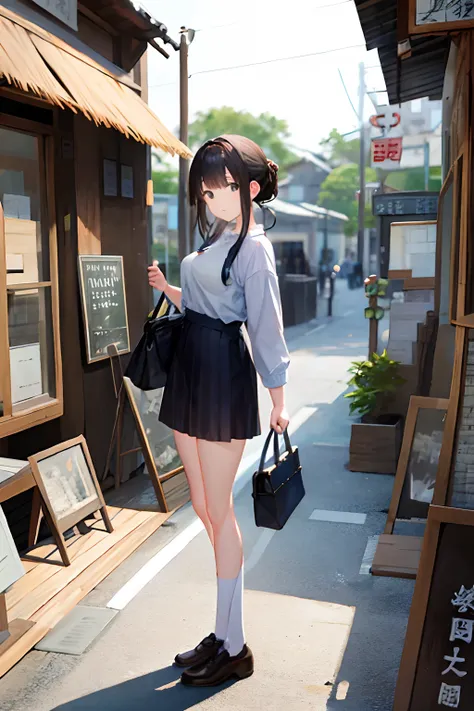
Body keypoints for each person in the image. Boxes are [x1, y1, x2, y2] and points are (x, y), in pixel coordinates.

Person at [148, 135, 290, 687]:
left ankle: (234, 643)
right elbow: (207, 303)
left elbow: (264, 324)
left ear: (250, 188)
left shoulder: (255, 248)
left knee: (219, 511)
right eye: (207, 191)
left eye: (225, 188)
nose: (214, 198)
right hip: (190, 370)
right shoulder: (217, 239)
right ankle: (225, 632)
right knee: (204, 508)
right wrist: (169, 288)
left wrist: (279, 399)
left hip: (223, 377)